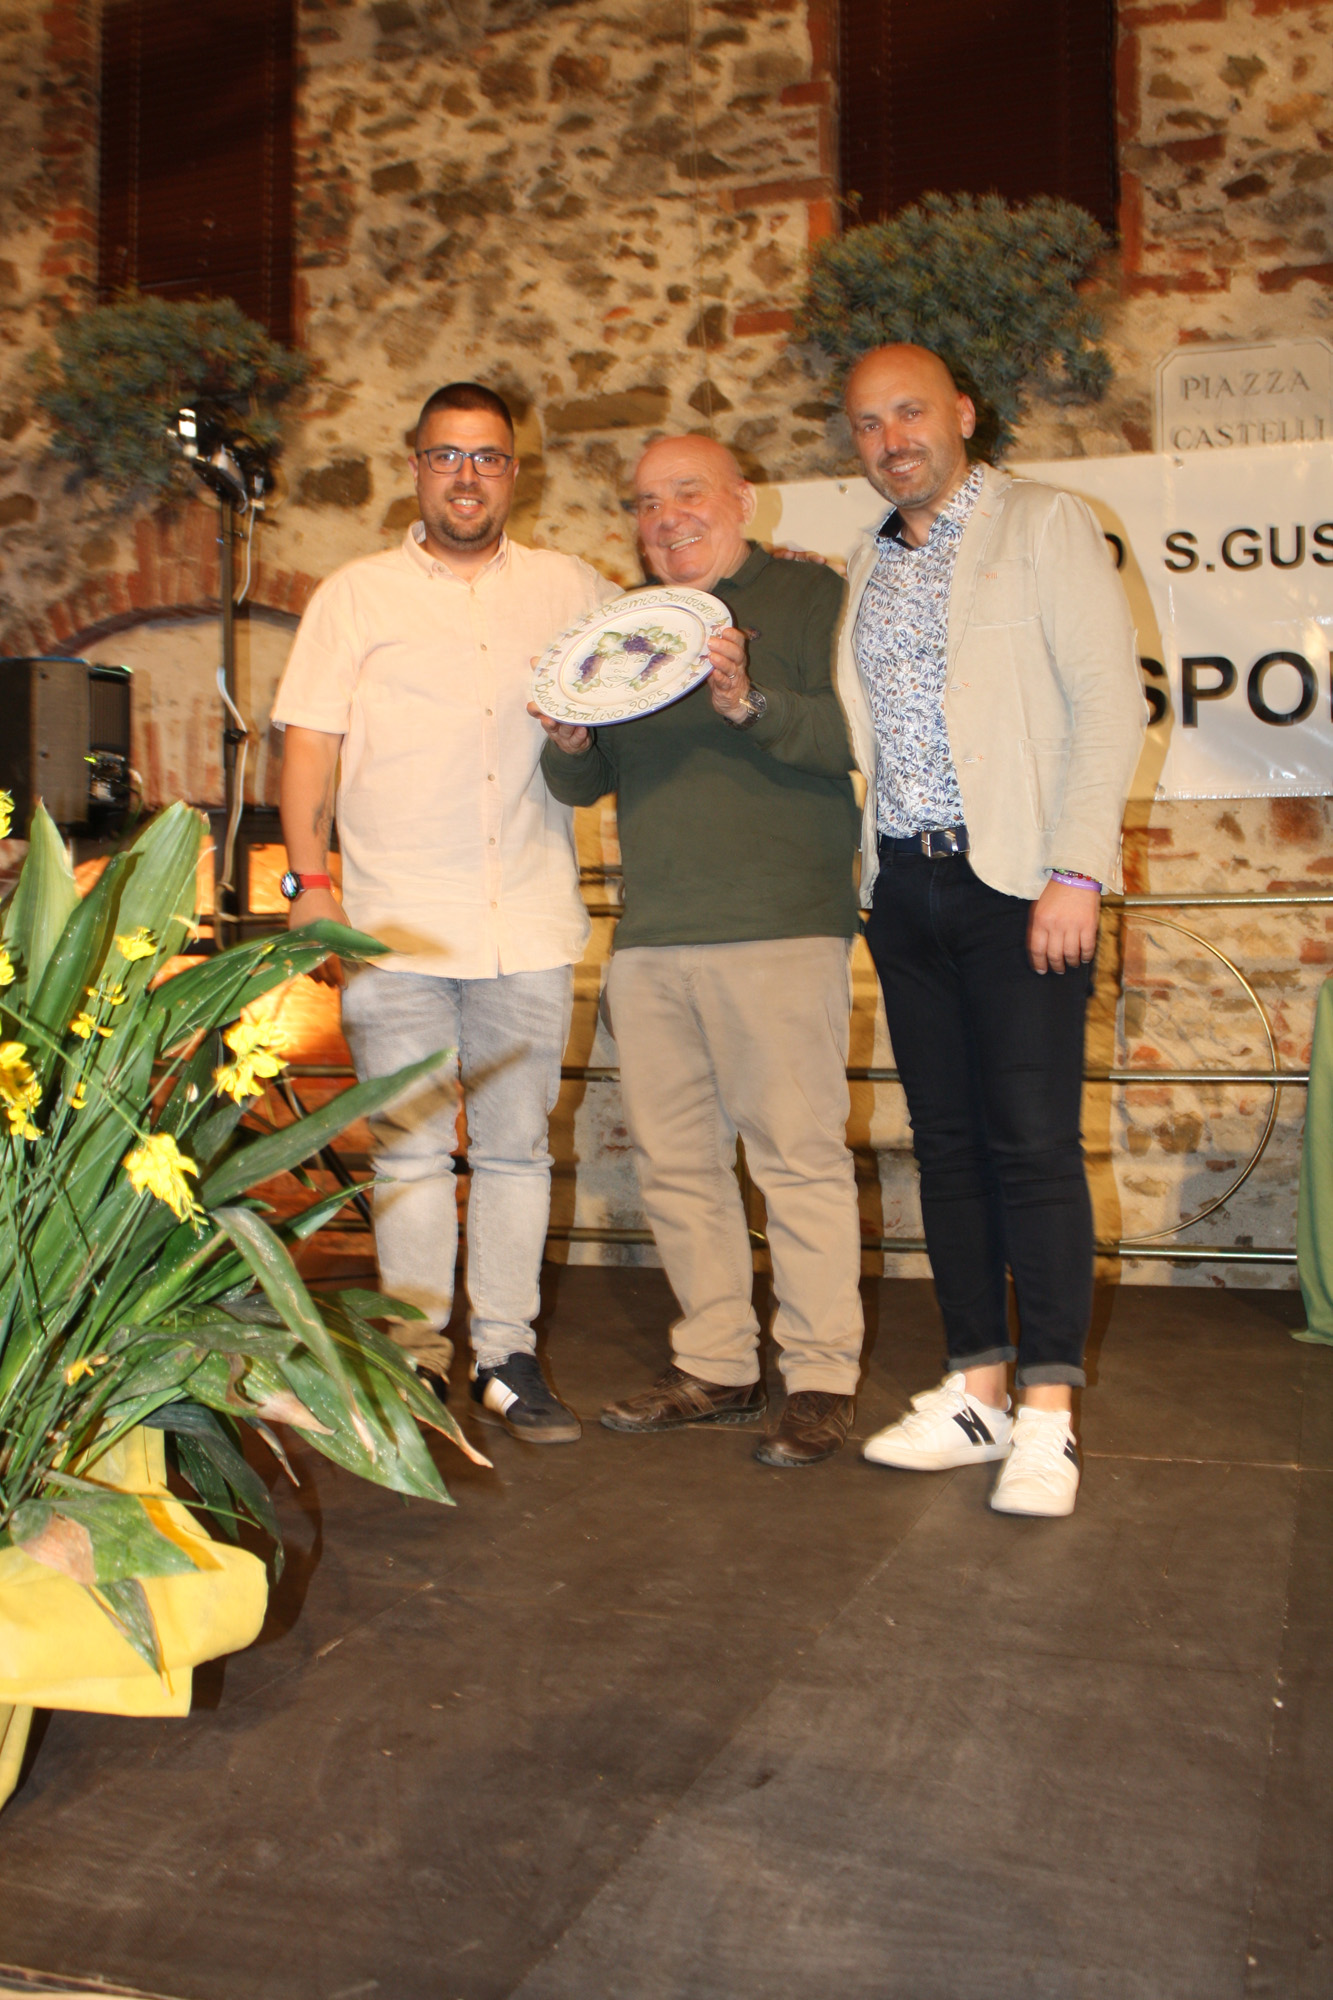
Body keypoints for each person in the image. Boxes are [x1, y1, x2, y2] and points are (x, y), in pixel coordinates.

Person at [272, 381, 620, 1445]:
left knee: (517, 1153)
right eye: (446, 456)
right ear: (416, 467)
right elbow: (309, 742)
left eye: (487, 457)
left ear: (514, 471)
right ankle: (414, 1359)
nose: (467, 476)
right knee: (412, 1154)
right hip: (395, 926)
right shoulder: (355, 596)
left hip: (527, 917)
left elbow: (641, 674)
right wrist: (310, 885)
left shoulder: (570, 587)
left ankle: (506, 1357)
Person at [836, 343, 1145, 1516]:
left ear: (961, 412)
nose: (891, 438)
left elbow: (1108, 703)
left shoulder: (1043, 522)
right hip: (903, 890)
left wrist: (1077, 868)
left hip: (1019, 881)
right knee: (947, 1146)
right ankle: (976, 1391)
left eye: (909, 411)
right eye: (868, 423)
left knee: (1033, 1145)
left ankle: (1047, 1415)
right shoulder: (867, 562)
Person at [535, 436, 865, 1468]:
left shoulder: (814, 599)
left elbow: (858, 737)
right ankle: (718, 1365)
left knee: (797, 1161)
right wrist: (569, 743)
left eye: (687, 492)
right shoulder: (630, 626)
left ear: (742, 499)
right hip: (653, 933)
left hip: (780, 923)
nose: (665, 516)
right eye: (645, 502)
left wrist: (748, 703)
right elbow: (584, 784)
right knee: (677, 1168)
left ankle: (820, 1377)